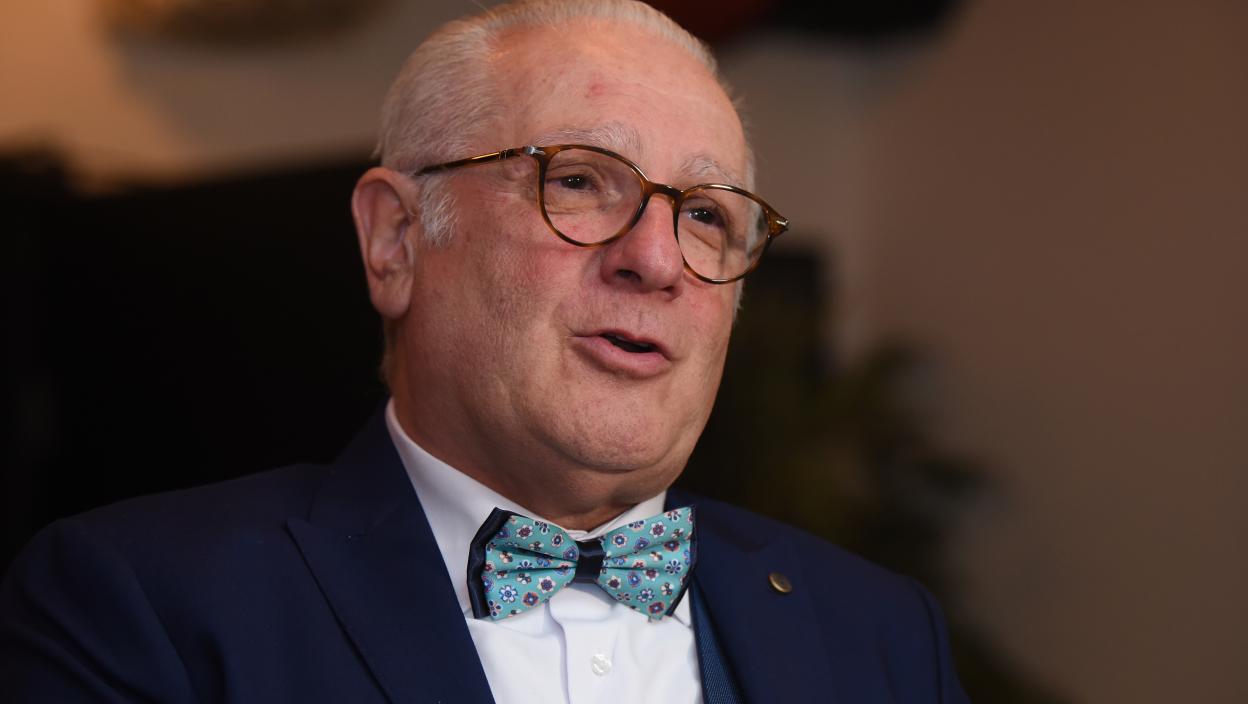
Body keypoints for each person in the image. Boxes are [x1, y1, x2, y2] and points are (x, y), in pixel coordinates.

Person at [0, 1, 969, 702]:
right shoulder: (140, 602)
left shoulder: (882, 635)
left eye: (708, 215)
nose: (656, 258)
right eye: (580, 180)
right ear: (396, 240)